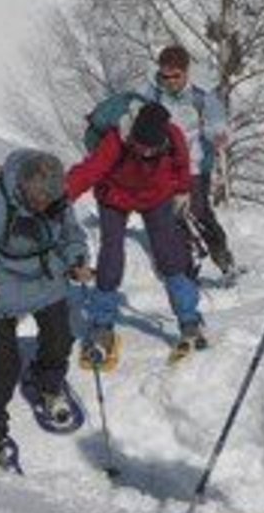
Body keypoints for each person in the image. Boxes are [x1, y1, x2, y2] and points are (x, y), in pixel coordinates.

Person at [0, 150, 91, 470]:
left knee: (59, 337)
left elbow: (71, 236)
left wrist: (76, 260)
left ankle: (47, 382)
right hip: (0, 282)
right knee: (4, 361)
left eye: (48, 200)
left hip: (44, 275)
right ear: (23, 188)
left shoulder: (57, 200)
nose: (43, 206)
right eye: (37, 200)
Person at [66, 101, 205, 362]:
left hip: (156, 196)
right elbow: (90, 170)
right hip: (115, 197)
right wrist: (62, 196)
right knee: (111, 256)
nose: (146, 152)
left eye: (152, 149)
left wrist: (183, 188)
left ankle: (190, 320)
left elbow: (182, 162)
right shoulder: (115, 140)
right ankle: (101, 323)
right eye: (141, 146)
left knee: (170, 256)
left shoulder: (172, 135)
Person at [140, 44, 236, 276]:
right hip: (164, 164)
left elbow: (217, 122)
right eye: (165, 76)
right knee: (172, 215)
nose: (170, 81)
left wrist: (219, 135)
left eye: (176, 76)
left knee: (199, 211)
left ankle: (222, 256)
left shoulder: (201, 96)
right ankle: (186, 266)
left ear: (186, 72)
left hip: (194, 163)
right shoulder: (152, 94)